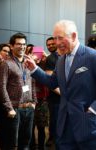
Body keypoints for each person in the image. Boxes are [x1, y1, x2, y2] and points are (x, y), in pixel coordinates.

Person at [25, 19, 96, 150]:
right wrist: (35, 69)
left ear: (74, 36)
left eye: (60, 38)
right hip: (64, 125)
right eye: (55, 38)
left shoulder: (92, 56)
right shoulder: (61, 60)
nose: (57, 43)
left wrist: (93, 110)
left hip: (87, 125)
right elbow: (53, 82)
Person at [0, 32, 37, 150]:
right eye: (18, 44)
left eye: (24, 44)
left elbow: (32, 82)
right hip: (15, 109)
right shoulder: (6, 64)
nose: (22, 47)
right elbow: (1, 86)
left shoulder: (28, 62)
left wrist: (34, 102)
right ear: (11, 46)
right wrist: (9, 108)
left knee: (26, 142)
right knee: (12, 143)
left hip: (29, 108)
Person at [45, 37, 60, 148]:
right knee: (55, 120)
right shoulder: (50, 59)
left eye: (52, 44)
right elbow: (50, 82)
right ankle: (53, 139)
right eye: (48, 45)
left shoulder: (65, 55)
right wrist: (64, 94)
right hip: (55, 97)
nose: (50, 46)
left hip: (68, 96)